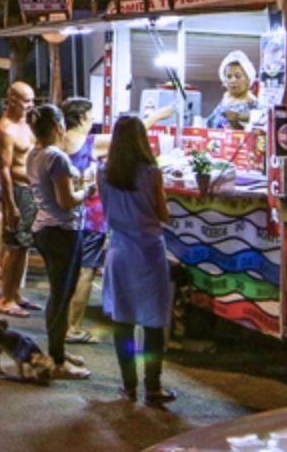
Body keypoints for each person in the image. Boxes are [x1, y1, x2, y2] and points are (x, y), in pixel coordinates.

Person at [99, 115, 176, 404]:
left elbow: (107, 210)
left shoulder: (103, 173)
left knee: (124, 321)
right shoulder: (151, 172)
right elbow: (162, 213)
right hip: (148, 251)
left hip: (119, 250)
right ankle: (153, 387)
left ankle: (128, 386)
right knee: (154, 322)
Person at [26, 104, 92, 379]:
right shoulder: (56, 158)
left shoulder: (34, 154)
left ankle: (59, 350)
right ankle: (57, 359)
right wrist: (88, 190)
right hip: (61, 230)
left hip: (45, 227)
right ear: (57, 127)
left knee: (59, 292)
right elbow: (66, 201)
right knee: (61, 295)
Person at [63, 98, 114, 344]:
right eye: (91, 116)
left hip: (64, 216)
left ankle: (62, 323)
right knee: (86, 272)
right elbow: (130, 136)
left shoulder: (57, 142)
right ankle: (73, 326)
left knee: (65, 272)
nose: (93, 120)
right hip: (91, 217)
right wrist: (158, 116)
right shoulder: (92, 143)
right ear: (82, 117)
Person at [0, 81, 40, 317]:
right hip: (19, 191)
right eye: (26, 101)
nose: (30, 105)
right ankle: (5, 298)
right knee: (14, 246)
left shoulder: (28, 124)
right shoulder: (5, 128)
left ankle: (16, 293)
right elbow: (5, 169)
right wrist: (10, 203)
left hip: (32, 191)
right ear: (11, 100)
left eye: (32, 100)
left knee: (23, 246)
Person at [207, 50, 259, 130]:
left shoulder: (255, 106)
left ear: (248, 79)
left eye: (238, 76)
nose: (233, 80)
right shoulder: (222, 104)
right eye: (229, 76)